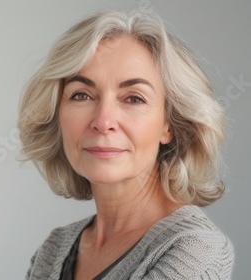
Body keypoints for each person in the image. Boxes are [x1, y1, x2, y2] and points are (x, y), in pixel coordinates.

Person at [19, 10, 235, 280]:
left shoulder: (195, 250)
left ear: (169, 125)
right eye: (82, 95)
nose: (103, 121)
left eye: (133, 98)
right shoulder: (53, 249)